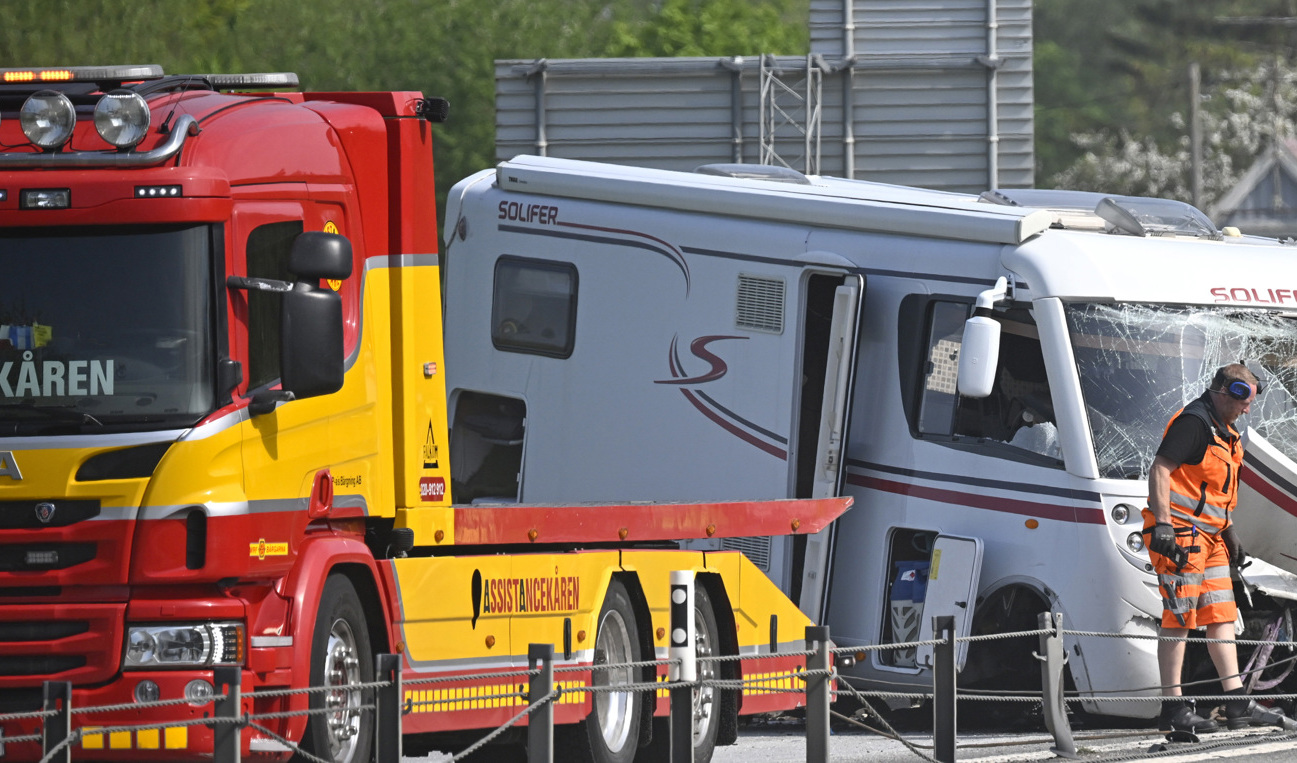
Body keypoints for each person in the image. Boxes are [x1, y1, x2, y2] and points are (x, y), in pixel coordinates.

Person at [1143, 363, 1260, 734]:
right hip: (1179, 535)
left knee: (1222, 616)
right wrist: (1162, 523)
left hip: (1210, 539)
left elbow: (1213, 492)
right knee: (1178, 619)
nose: (1247, 410)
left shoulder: (1226, 432)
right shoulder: (1194, 423)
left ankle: (1237, 703)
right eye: (1245, 402)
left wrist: (1228, 531)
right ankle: (1172, 709)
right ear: (1228, 392)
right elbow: (1161, 468)